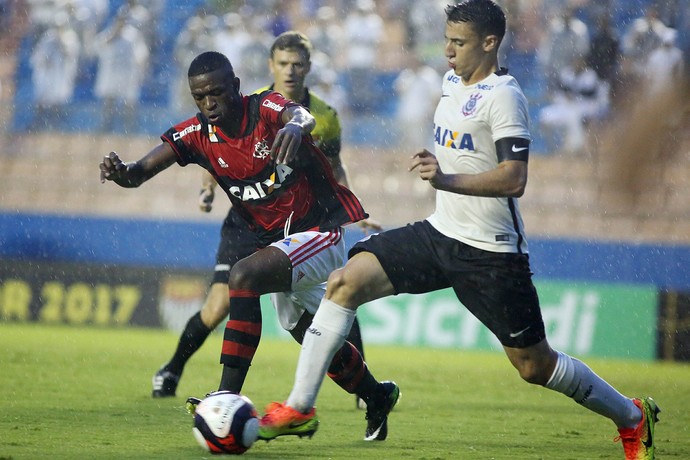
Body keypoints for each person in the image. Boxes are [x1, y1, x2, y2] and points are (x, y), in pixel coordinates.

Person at [259, 2, 660, 459]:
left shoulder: (505, 96)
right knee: (343, 282)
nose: (447, 49)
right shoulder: (450, 82)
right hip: (440, 233)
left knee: (534, 365)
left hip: (490, 254)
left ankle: (632, 416)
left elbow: (515, 178)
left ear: (489, 43)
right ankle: (299, 407)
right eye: (447, 38)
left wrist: (444, 178)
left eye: (459, 42)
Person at [100, 50, 395, 440]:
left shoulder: (265, 109)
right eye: (200, 98)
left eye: (217, 93)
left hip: (321, 232)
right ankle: (377, 395)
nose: (209, 104)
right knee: (308, 333)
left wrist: (295, 128)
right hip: (282, 244)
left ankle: (225, 397)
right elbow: (140, 172)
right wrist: (123, 174)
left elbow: (300, 115)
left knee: (243, 276)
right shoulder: (197, 134)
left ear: (236, 87)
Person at [153, 31, 377, 411]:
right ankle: (173, 369)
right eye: (283, 63)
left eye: (297, 64)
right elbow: (213, 149)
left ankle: (366, 389)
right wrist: (207, 188)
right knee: (220, 304)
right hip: (249, 221)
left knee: (329, 302)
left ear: (308, 67)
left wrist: (348, 207)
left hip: (301, 222)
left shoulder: (322, 115)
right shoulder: (246, 101)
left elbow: (334, 165)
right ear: (271, 64)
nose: (290, 70)